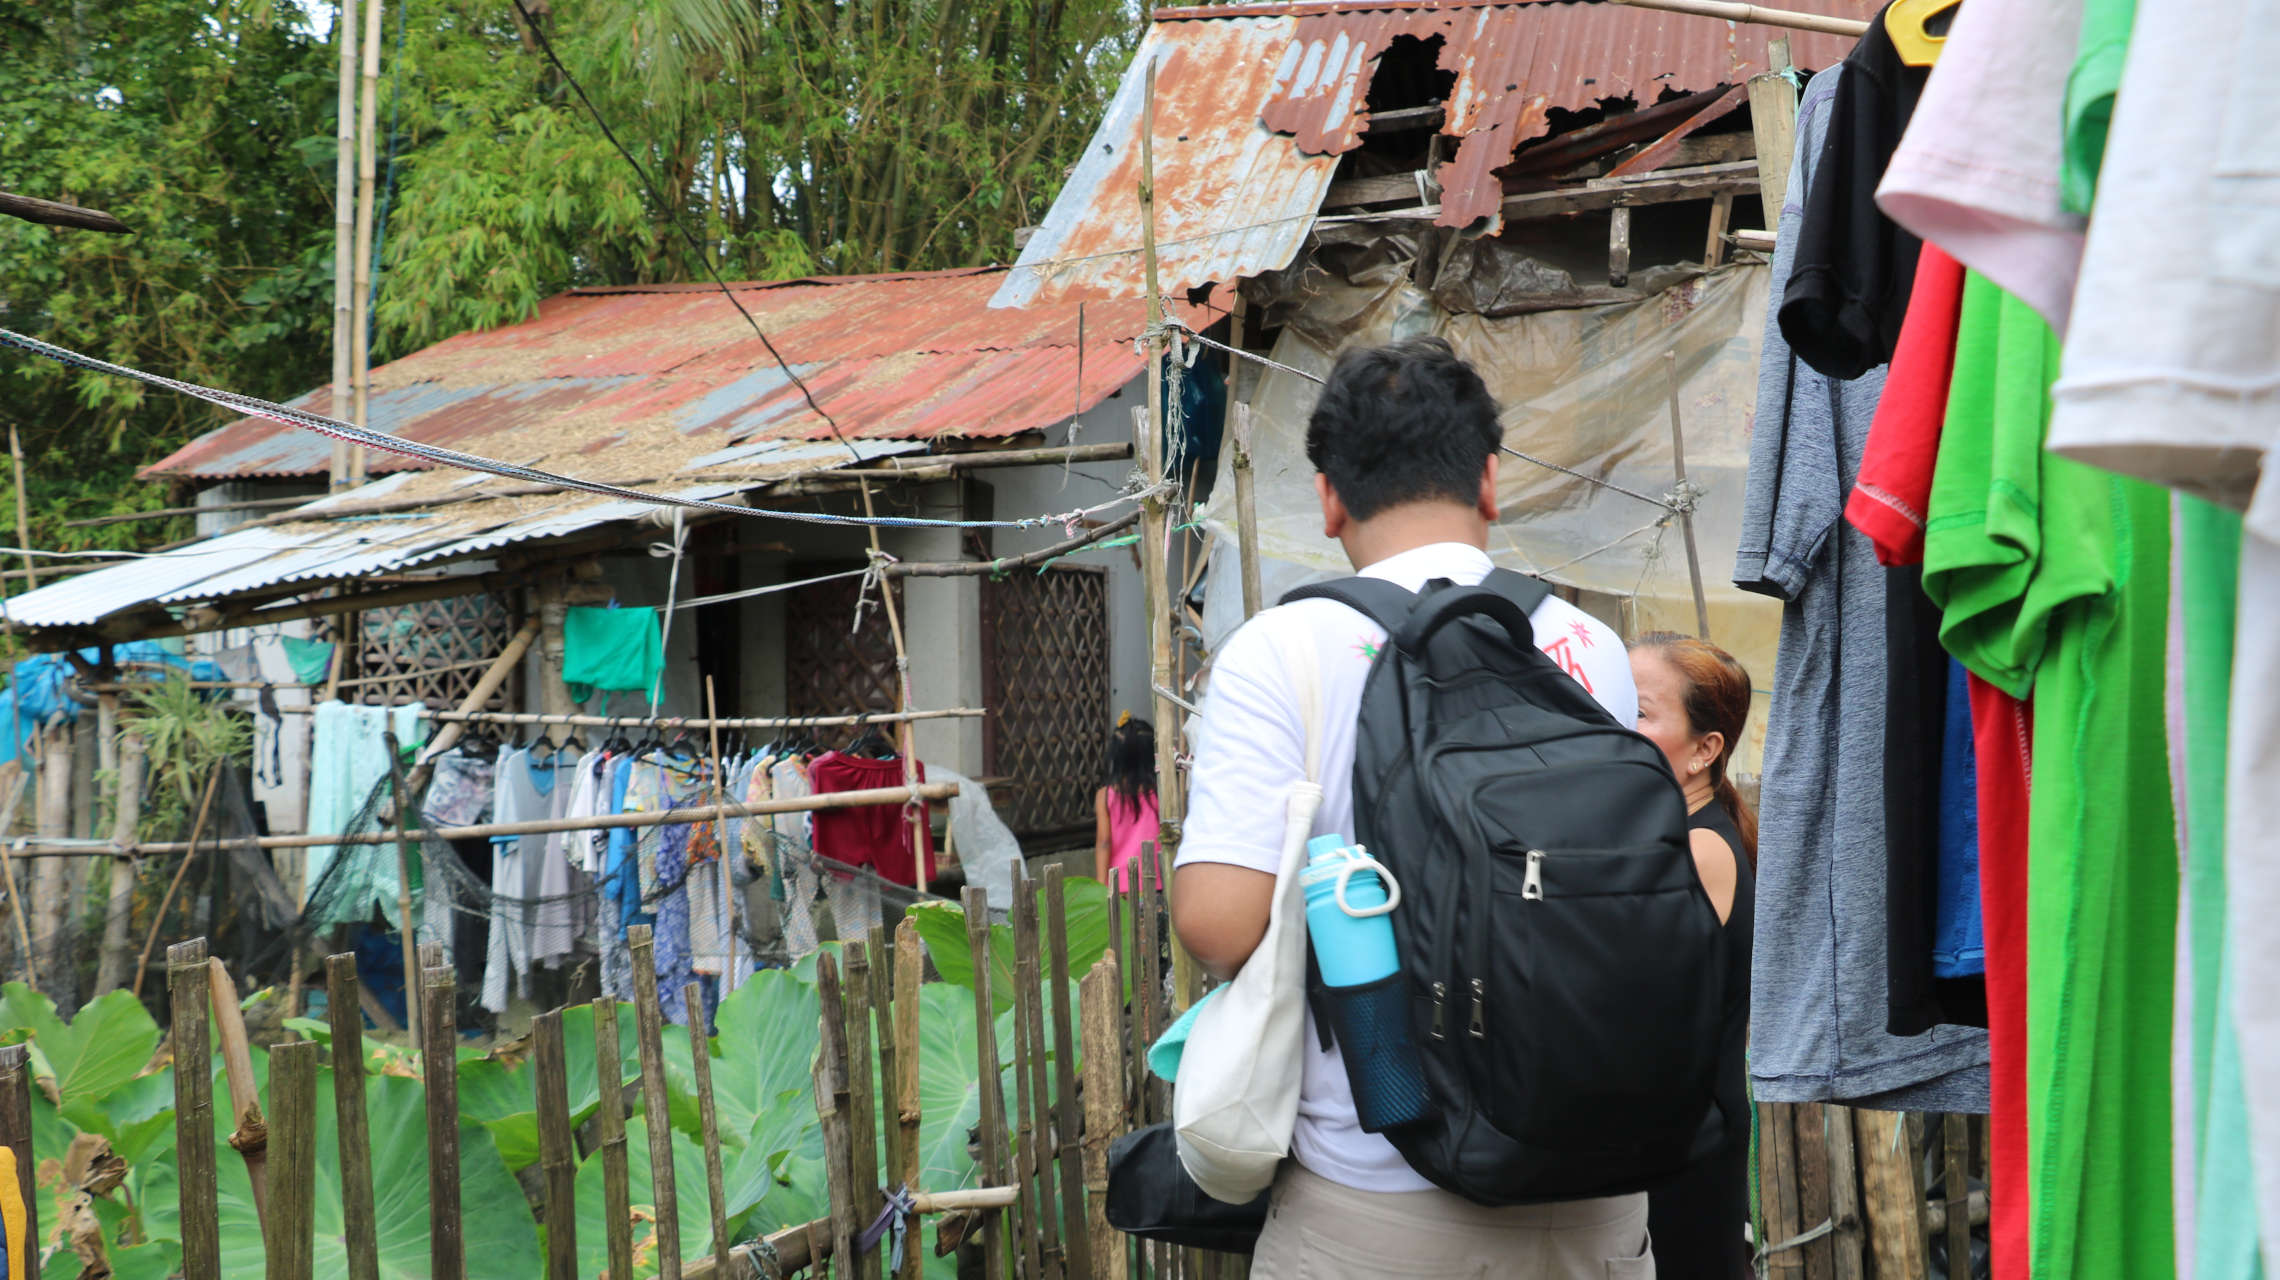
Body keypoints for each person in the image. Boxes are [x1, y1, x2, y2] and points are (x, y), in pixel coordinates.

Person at [1171, 337, 1647, 1278]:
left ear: (1330, 497)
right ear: (1489, 480)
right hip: (1598, 1188)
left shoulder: (1281, 650)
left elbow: (1219, 925)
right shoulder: (1591, 645)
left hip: (1381, 1190)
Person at [1629, 632, 1758, 1280]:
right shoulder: (1675, 835)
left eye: (1640, 713)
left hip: (1689, 1141)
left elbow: (1642, 1006)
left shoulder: (1700, 848)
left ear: (1704, 750)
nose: (1613, 726)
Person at [1094, 714, 1160, 891]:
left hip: (1119, 887)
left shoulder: (1104, 796)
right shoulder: (1162, 793)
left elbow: (1103, 843)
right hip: (1158, 884)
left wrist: (1101, 887)